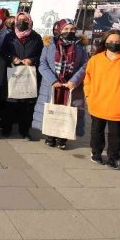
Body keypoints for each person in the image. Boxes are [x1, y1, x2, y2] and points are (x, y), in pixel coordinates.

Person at [84, 29, 120, 169]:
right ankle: (96, 153)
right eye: (110, 41)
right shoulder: (95, 60)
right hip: (97, 102)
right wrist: (89, 95)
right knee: (96, 131)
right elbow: (88, 79)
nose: (114, 44)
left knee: (115, 135)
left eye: (117, 41)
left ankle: (113, 158)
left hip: (118, 105)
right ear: (105, 42)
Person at [32, 19, 89, 149]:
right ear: (59, 30)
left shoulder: (80, 46)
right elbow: (42, 64)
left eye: (72, 29)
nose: (69, 32)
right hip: (53, 85)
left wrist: (74, 81)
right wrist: (53, 80)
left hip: (71, 85)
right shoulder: (49, 44)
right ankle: (50, 136)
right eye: (66, 29)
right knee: (52, 110)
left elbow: (85, 65)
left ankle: (62, 138)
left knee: (67, 111)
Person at [0, 12, 43, 139]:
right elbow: (3, 52)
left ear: (29, 21)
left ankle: (24, 131)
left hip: (29, 74)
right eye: (19, 20)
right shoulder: (10, 36)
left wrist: (32, 60)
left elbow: (41, 55)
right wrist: (12, 58)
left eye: (25, 20)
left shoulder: (36, 37)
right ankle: (6, 128)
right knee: (10, 103)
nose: (22, 22)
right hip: (12, 73)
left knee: (27, 105)